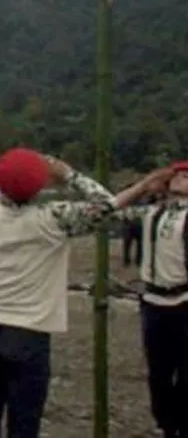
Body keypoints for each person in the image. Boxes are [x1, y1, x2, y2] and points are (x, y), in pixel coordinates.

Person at [0, 149, 149, 438]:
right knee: (24, 424)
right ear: (39, 185)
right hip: (29, 333)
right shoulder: (55, 217)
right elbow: (107, 205)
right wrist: (70, 176)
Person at [109, 162, 188, 438]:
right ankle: (167, 425)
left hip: (184, 299)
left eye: (187, 176)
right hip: (154, 300)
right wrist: (143, 186)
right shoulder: (150, 213)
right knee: (158, 373)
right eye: (177, 174)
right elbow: (109, 210)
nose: (181, 178)